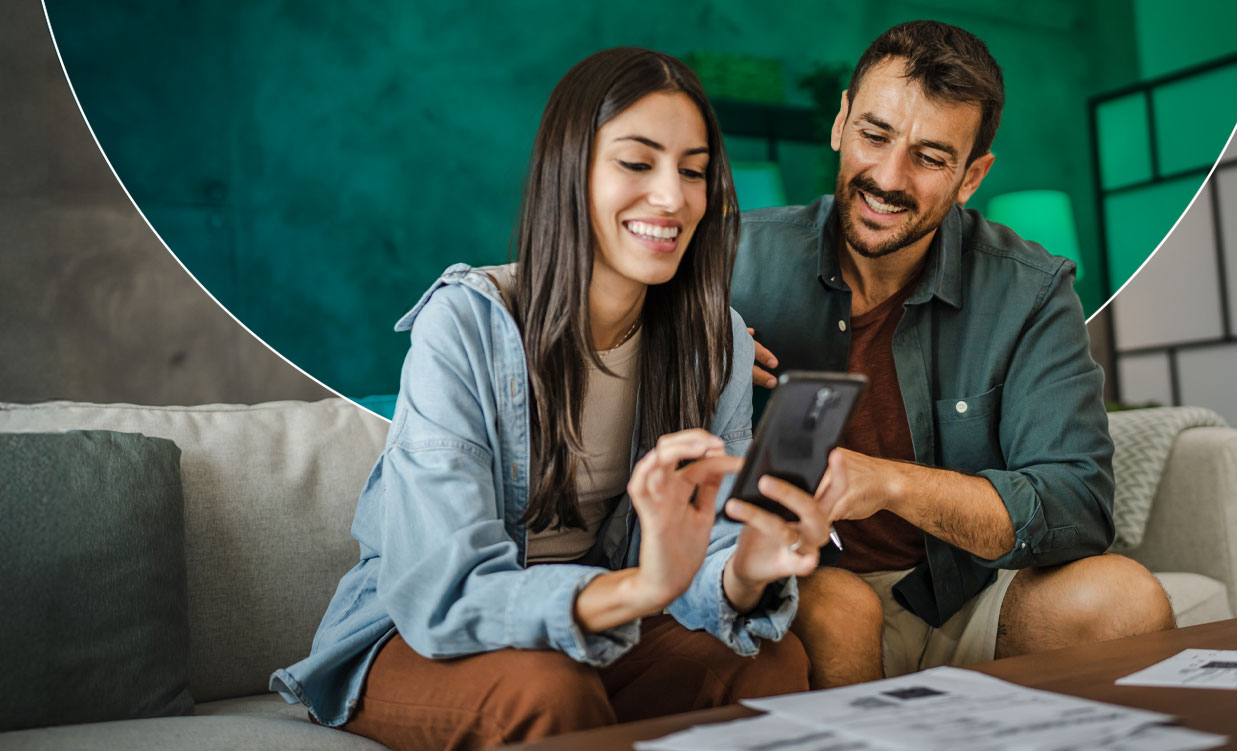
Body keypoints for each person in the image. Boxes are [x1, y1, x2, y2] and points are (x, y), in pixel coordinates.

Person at [271, 47, 832, 750]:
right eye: (637, 162)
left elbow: (711, 551)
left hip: (599, 616)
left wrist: (747, 568)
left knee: (769, 660)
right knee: (547, 690)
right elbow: (446, 590)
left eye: (693, 171)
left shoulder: (713, 341)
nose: (672, 196)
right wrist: (643, 587)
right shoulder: (466, 324)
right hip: (417, 632)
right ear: (571, 171)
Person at [731, 21, 1176, 689]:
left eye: (930, 157)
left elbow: (1077, 503)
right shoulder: (734, 262)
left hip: (968, 596)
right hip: (812, 593)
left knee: (1126, 598)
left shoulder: (1030, 288)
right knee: (840, 605)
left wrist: (892, 483)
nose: (887, 176)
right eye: (874, 135)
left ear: (972, 176)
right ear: (840, 122)